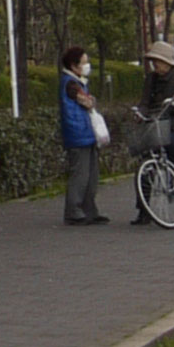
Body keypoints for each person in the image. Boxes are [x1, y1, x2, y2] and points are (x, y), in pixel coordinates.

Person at [58, 43, 108, 225]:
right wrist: (90, 101)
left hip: (86, 134)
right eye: (84, 62)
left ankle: (89, 210)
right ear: (74, 65)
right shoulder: (70, 83)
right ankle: (74, 211)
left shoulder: (77, 82)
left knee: (91, 175)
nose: (87, 66)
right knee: (80, 174)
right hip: (78, 134)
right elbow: (86, 102)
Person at [141, 35, 174, 174]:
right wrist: (140, 113)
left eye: (157, 61)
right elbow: (144, 102)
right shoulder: (151, 79)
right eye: (153, 61)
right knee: (144, 151)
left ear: (166, 62)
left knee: (172, 141)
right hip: (155, 123)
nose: (155, 64)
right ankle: (143, 192)